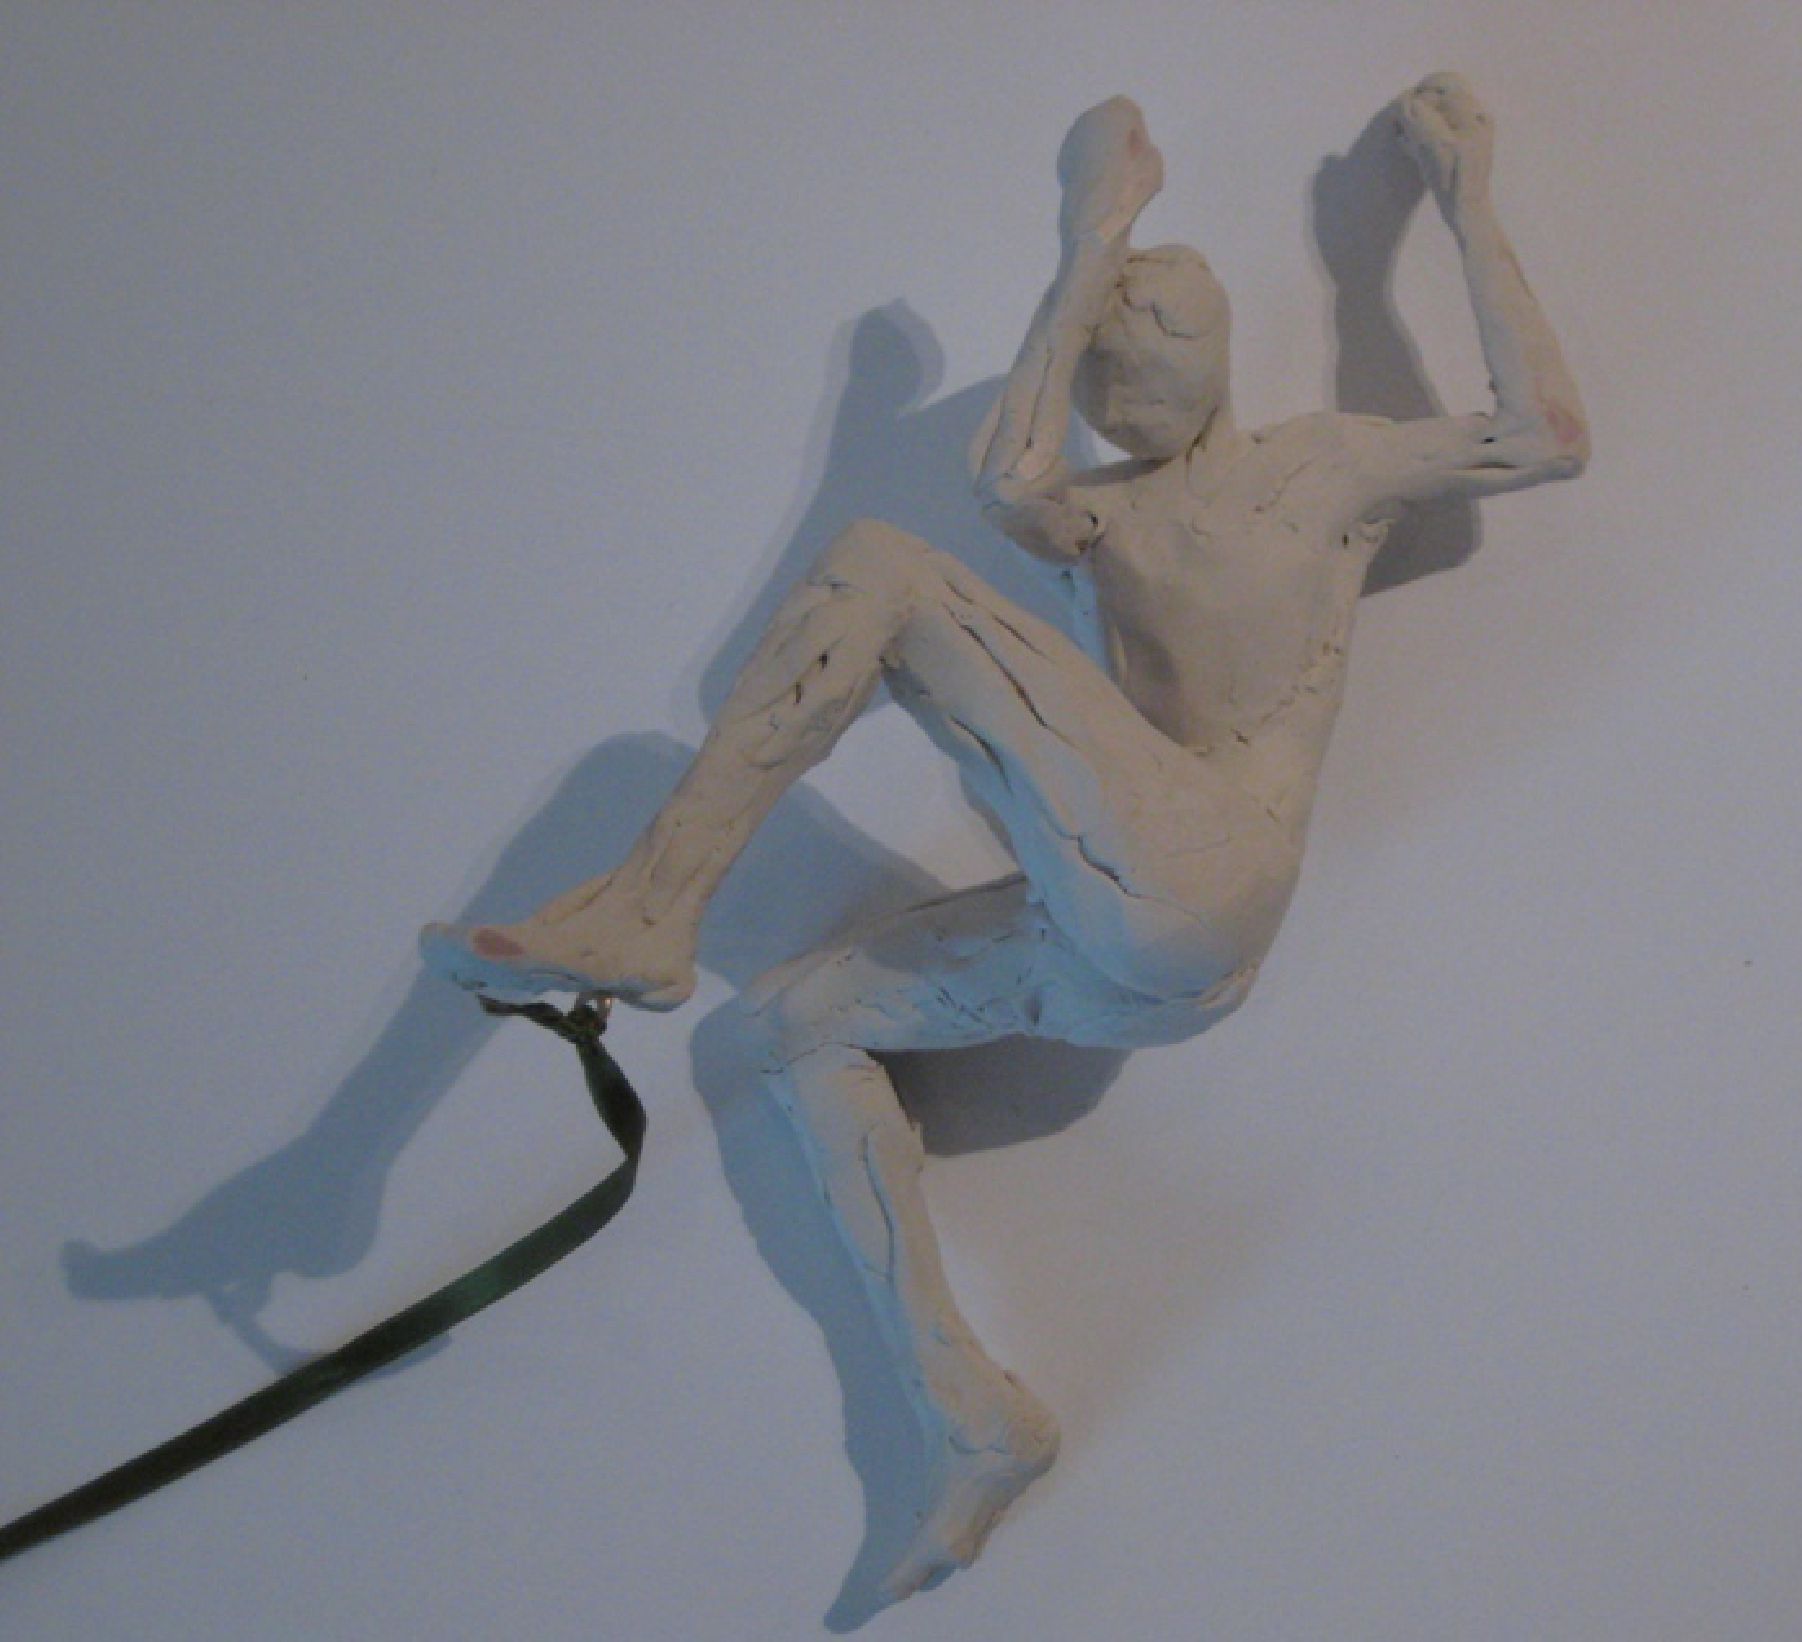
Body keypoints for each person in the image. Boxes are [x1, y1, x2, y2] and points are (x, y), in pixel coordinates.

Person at [422, 74, 1587, 1600]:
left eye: (1158, 324)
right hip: (1126, 959)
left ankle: (654, 907)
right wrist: (1089, 240)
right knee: (788, 1032)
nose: (1127, 360)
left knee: (883, 566)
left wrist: (1455, 200)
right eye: (1103, 342)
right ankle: (968, 1413)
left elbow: (1541, 432)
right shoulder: (1103, 518)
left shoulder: (1322, 472)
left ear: (1225, 342)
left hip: (1216, 871)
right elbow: (1009, 475)